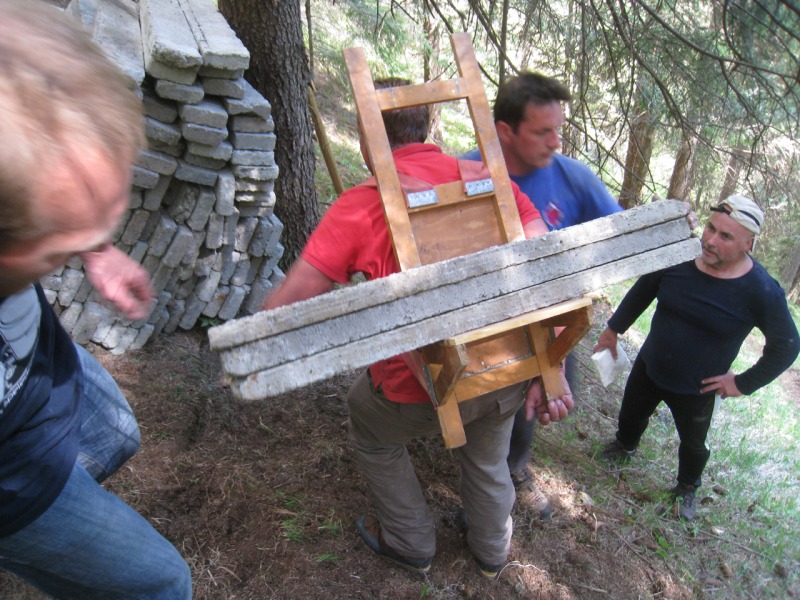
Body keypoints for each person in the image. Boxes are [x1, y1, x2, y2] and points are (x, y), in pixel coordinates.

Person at [263, 77, 574, 579]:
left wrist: (252, 331)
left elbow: (285, 307)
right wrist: (549, 368)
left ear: (367, 136)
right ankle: (492, 550)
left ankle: (410, 541)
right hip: (506, 370)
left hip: (421, 387)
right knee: (489, 449)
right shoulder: (493, 181)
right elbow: (551, 280)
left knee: (367, 421)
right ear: (428, 126)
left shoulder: (363, 204)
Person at [0, 2, 192, 597]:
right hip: (15, 476)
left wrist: (95, 248)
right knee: (162, 584)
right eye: (62, 248)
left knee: (115, 434)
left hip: (39, 370)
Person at [464, 72, 623, 518]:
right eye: (542, 131)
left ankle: (515, 467)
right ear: (505, 131)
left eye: (559, 129)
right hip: (485, 317)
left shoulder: (576, 179)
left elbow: (620, 233)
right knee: (481, 394)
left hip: (553, 321)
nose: (555, 141)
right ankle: (473, 460)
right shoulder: (468, 172)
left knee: (542, 400)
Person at [594, 195, 800, 521]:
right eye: (710, 228)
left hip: (697, 388)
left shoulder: (760, 290)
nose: (710, 240)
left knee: (693, 445)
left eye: (725, 236)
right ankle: (624, 445)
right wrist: (613, 329)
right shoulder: (681, 256)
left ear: (749, 243)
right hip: (651, 364)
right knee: (631, 415)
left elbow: (787, 345)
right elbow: (645, 288)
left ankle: (687, 487)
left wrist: (743, 383)